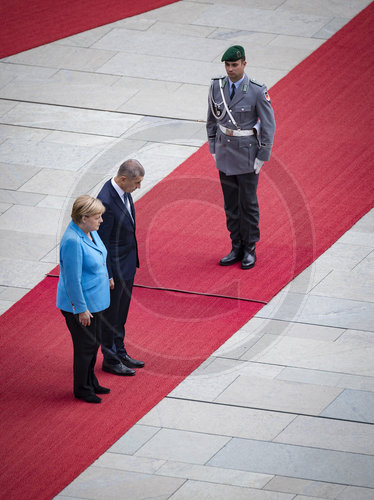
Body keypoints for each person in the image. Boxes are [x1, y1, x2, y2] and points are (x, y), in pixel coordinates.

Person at [207, 45, 276, 269]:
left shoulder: (256, 90)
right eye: (227, 65)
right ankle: (236, 245)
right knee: (230, 204)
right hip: (225, 152)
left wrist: (262, 154)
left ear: (244, 64)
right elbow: (211, 117)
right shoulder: (216, 86)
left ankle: (250, 248)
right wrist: (213, 147)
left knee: (248, 203)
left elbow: (268, 124)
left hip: (247, 154)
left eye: (234, 65)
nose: (230, 69)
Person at [56, 195, 111, 403]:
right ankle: (82, 388)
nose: (101, 221)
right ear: (84, 217)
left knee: (93, 343)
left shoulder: (89, 231)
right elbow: (72, 280)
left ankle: (91, 381)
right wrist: (80, 309)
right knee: (84, 347)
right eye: (97, 217)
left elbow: (99, 255)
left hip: (95, 301)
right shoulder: (72, 241)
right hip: (81, 306)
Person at [97, 159, 145, 376]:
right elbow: (102, 243)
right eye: (136, 183)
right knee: (111, 315)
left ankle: (120, 350)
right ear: (123, 179)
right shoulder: (105, 202)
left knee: (121, 313)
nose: (139, 187)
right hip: (114, 269)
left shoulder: (124, 192)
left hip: (126, 264)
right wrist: (107, 274)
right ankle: (110, 358)